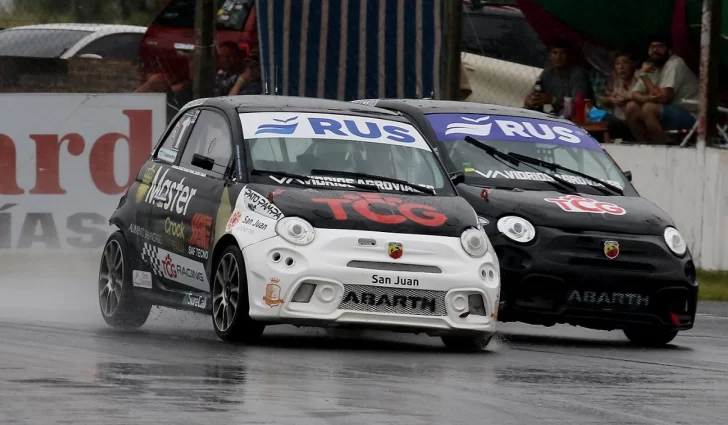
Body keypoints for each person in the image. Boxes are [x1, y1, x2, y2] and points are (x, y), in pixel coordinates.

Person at [624, 36, 699, 143]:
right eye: (652, 47)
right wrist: (648, 98)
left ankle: (660, 149)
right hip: (666, 113)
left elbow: (663, 98)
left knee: (649, 108)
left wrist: (644, 75)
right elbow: (635, 94)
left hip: (691, 115)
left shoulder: (675, 63)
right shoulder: (650, 66)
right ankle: (645, 146)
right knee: (631, 107)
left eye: (660, 47)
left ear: (670, 50)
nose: (655, 50)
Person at [524, 39, 594, 116]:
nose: (558, 57)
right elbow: (536, 93)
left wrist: (553, 100)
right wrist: (530, 100)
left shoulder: (578, 75)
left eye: (563, 53)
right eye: (555, 53)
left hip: (577, 116)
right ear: (550, 56)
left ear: (569, 56)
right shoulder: (547, 73)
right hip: (556, 114)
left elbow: (579, 105)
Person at [600, 51, 639, 142]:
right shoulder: (615, 80)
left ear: (632, 65)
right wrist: (610, 99)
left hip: (635, 123)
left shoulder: (638, 77)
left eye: (625, 63)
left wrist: (626, 98)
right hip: (619, 122)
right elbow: (604, 99)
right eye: (618, 64)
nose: (621, 67)